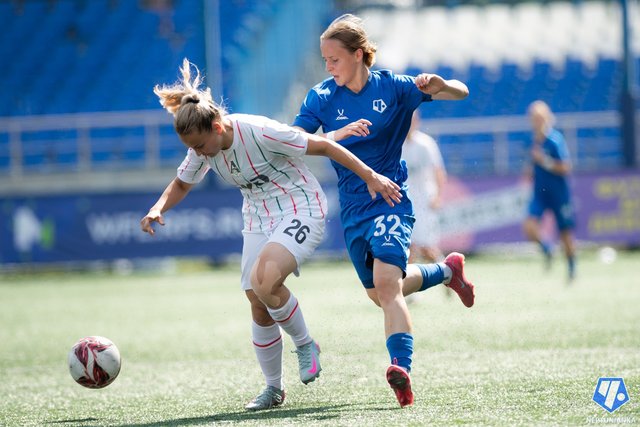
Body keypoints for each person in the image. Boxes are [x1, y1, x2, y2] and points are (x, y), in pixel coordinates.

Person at [140, 58, 402, 411]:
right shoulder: (202, 147)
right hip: (257, 217)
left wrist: (371, 176)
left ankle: (306, 344)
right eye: (194, 148)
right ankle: (273, 389)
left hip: (300, 206)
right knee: (257, 300)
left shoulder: (260, 131)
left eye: (200, 145)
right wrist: (158, 207)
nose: (198, 153)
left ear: (217, 127)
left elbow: (324, 146)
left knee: (263, 281)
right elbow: (182, 183)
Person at [292, 14, 475, 408]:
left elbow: (461, 92)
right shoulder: (321, 96)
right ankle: (447, 271)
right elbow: (295, 142)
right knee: (380, 293)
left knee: (388, 286)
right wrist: (335, 136)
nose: (328, 67)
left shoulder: (393, 87)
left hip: (391, 201)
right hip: (353, 211)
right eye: (325, 60)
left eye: (334, 59)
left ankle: (401, 370)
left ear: (358, 54)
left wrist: (442, 85)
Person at [522, 100, 577, 281]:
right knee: (529, 226)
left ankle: (572, 268)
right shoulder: (533, 141)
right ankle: (547, 249)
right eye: (534, 118)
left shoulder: (555, 140)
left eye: (539, 118)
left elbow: (565, 167)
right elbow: (534, 164)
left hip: (558, 193)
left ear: (547, 118)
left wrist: (544, 161)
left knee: (565, 233)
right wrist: (530, 170)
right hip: (540, 193)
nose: (536, 122)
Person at [402, 111, 447, 264]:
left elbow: (438, 171)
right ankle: (404, 280)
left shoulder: (426, 143)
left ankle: (448, 271)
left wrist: (438, 196)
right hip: (405, 201)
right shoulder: (395, 143)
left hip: (424, 201)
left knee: (427, 248)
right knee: (407, 247)